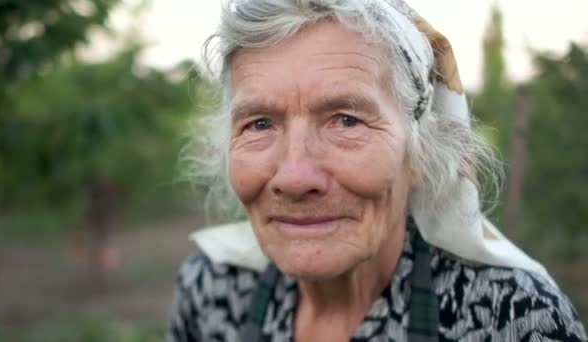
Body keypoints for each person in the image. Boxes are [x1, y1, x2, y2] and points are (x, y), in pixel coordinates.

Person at [168, 0, 587, 341]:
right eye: (259, 124)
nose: (294, 178)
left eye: (347, 120)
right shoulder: (212, 291)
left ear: (420, 151)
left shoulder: (511, 320)